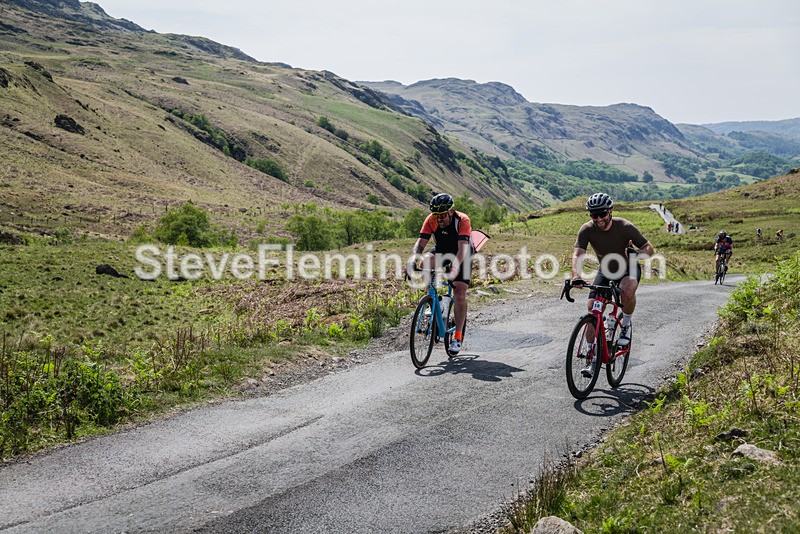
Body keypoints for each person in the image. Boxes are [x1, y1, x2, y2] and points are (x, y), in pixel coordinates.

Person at [570, 193, 655, 372]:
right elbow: (578, 254)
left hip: (628, 268)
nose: (599, 218)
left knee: (626, 291)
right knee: (592, 309)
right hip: (606, 269)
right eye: (594, 215)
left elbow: (649, 248)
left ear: (610, 211)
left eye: (602, 213)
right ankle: (590, 354)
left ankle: (625, 324)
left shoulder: (624, 226)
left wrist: (637, 256)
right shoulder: (586, 229)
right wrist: (576, 276)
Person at [407, 193, 471, 354]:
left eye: (442, 214)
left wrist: (455, 269)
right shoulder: (431, 220)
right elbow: (421, 242)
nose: (439, 218)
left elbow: (463, 248)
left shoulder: (462, 220)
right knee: (425, 261)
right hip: (442, 251)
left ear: (451, 211)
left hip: (461, 253)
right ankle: (434, 301)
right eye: (436, 215)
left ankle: (457, 336)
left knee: (459, 292)